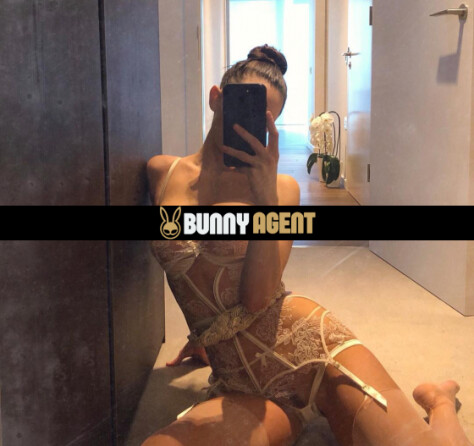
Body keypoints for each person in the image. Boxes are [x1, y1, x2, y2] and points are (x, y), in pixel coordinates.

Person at [144, 45, 472, 446]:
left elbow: (256, 299)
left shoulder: (282, 190)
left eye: (263, 120)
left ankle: (439, 401)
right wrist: (202, 335)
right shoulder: (162, 172)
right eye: (242, 107)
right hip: (239, 384)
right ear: (216, 98)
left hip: (312, 351)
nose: (248, 127)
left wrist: (264, 199)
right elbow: (191, 271)